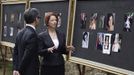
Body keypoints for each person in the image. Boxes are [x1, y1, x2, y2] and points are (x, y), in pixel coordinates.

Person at [13, 8, 40, 75]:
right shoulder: (33, 34)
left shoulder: (20, 32)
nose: (39, 20)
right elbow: (27, 56)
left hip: (20, 69)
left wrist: (15, 68)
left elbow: (15, 52)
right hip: (29, 70)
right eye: (39, 17)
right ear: (36, 19)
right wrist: (19, 70)